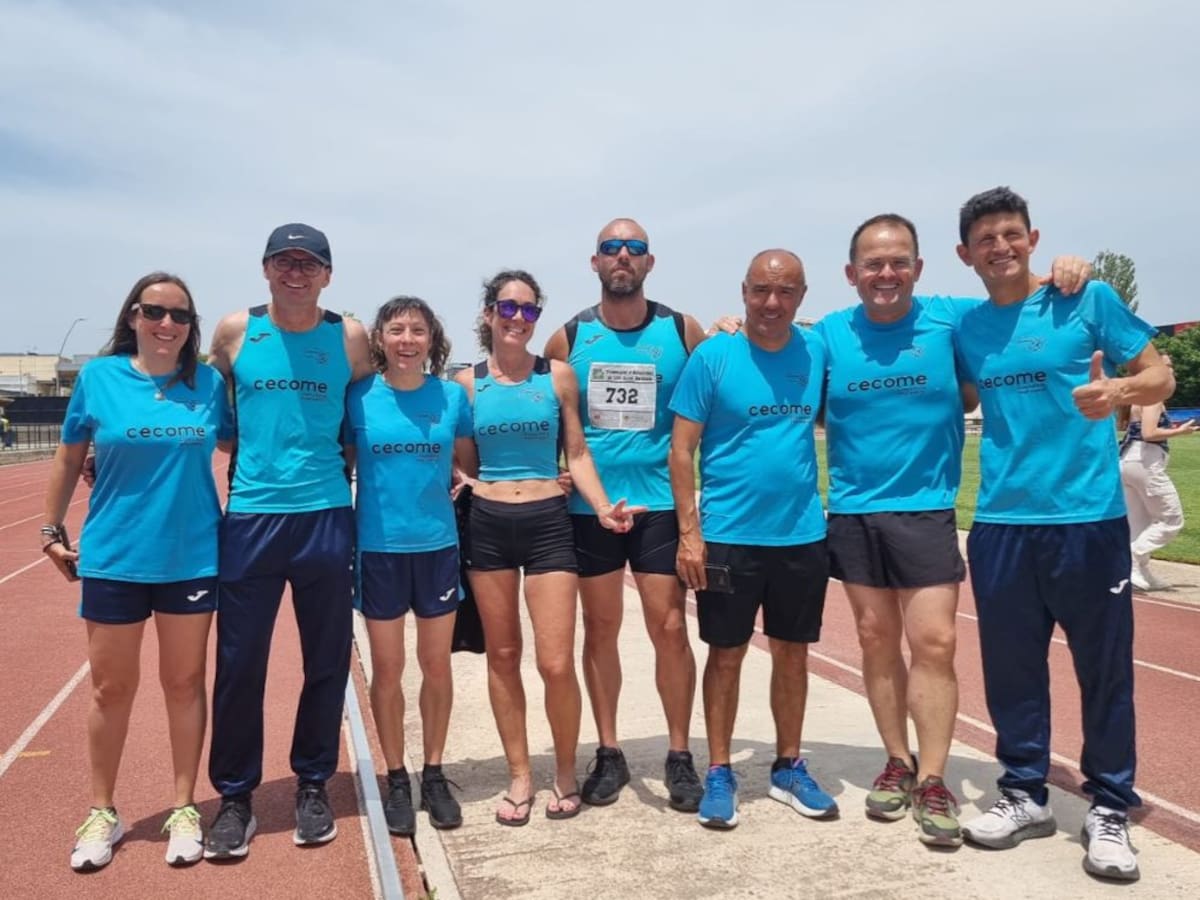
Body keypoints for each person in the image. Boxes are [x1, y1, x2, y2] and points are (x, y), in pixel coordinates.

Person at [814, 215, 1093, 847]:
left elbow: (1014, 302)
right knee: (875, 641)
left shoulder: (953, 319)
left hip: (927, 506)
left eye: (900, 262)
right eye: (874, 264)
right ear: (852, 273)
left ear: (918, 266)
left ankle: (934, 777)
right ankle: (897, 761)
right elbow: (772, 349)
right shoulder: (830, 332)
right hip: (855, 508)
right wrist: (725, 325)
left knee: (934, 644)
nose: (887, 274)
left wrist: (1066, 274)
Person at [952, 187, 1173, 882]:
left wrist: (1118, 395)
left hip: (1088, 520)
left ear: (1033, 237)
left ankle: (1109, 805)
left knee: (1102, 672)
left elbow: (1159, 369)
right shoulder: (965, 327)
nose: (1000, 248)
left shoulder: (1087, 299)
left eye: (1011, 234)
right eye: (986, 239)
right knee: (1012, 670)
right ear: (966, 255)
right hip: (1001, 524)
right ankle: (1024, 792)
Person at [42, 272, 232, 870]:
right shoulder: (99, 379)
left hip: (191, 555)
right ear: (133, 316)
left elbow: (243, 443)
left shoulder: (209, 385)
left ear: (190, 325)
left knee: (183, 684)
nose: (167, 323)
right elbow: (71, 454)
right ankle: (103, 810)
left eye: (179, 315)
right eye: (155, 311)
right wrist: (50, 530)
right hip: (115, 557)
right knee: (111, 688)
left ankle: (183, 807)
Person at [204, 224, 373, 859]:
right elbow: (192, 396)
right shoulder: (234, 331)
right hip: (251, 517)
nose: (296, 272)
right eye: (284, 261)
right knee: (240, 663)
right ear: (266, 269)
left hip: (327, 516)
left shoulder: (348, 337)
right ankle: (237, 798)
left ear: (328, 274)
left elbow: (375, 404)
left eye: (309, 263)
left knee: (326, 660)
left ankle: (312, 783)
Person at [455, 269, 641, 826]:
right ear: (489, 313)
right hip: (487, 524)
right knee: (503, 656)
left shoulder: (557, 376)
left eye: (529, 310)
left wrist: (604, 505)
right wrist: (470, 484)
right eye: (507, 308)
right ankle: (519, 775)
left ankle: (563, 771)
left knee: (556, 662)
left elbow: (578, 452)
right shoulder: (466, 384)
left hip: (548, 523)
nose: (518, 318)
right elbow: (463, 463)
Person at [668, 249, 835, 830]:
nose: (771, 302)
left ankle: (789, 764)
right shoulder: (713, 355)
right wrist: (690, 533)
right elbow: (681, 449)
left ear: (802, 295)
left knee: (793, 654)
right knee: (727, 654)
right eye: (761, 290)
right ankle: (719, 770)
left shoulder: (817, 350)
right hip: (728, 537)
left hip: (801, 535)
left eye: (785, 291)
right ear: (743, 291)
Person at [543, 218, 705, 812]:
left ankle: (680, 754)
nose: (622, 257)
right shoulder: (568, 338)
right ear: (595, 263)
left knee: (669, 629)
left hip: (659, 504)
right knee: (602, 629)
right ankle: (609, 752)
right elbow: (547, 412)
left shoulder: (682, 330)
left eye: (634, 249)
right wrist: (550, 471)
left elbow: (712, 393)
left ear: (649, 263)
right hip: (592, 509)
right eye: (611, 248)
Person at [344, 296, 477, 836]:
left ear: (431, 339)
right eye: (396, 329)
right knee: (389, 667)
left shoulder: (450, 398)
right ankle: (396, 776)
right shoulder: (358, 398)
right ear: (380, 338)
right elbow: (342, 462)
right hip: (378, 550)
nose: (406, 339)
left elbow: (466, 467)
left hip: (437, 548)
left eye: (417, 330)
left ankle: (434, 772)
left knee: (437, 665)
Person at [1118, 353, 1196, 591]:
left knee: (1139, 523)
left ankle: (1140, 572)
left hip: (1128, 462)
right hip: (1145, 462)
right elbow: (1149, 433)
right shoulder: (1152, 399)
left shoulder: (1136, 400)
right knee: (1171, 519)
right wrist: (1179, 432)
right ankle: (1132, 557)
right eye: (1167, 367)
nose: (1172, 371)